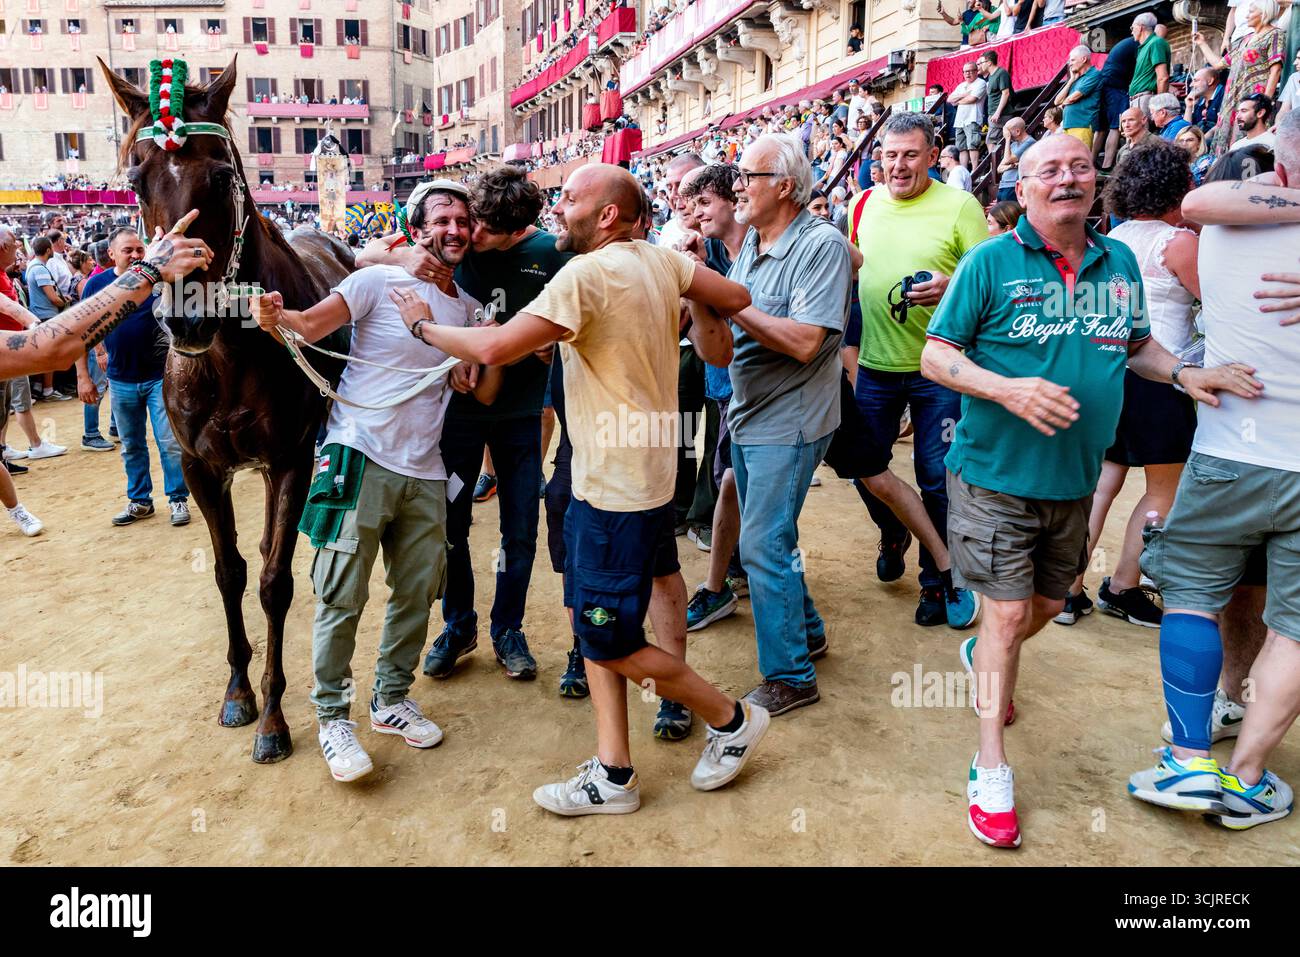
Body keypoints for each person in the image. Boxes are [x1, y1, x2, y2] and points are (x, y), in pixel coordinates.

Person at [387, 162, 769, 816]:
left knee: (607, 636)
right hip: (642, 477)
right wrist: (691, 299)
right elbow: (734, 298)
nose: (557, 208)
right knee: (602, 621)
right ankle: (615, 770)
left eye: (569, 198)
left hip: (612, 489)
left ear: (609, 215)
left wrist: (423, 326)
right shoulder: (660, 261)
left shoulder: (585, 274)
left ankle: (731, 718)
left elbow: (498, 343)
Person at [919, 133, 1254, 848]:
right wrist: (1005, 387)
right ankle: (990, 766)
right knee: (1008, 615)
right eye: (1050, 170)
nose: (1067, 179)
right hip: (993, 477)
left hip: (1072, 477)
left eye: (1078, 167)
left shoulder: (1119, 260)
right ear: (1026, 185)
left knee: (1044, 604)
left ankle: (986, 656)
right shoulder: (990, 262)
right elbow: (937, 355)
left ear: (1095, 181)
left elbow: (1136, 345)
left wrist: (1184, 373)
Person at [253, 181, 500, 784]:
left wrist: (484, 357)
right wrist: (270, 316)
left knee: (418, 594)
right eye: (443, 218)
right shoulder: (373, 283)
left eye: (464, 219)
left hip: (426, 469)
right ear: (416, 228)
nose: (456, 228)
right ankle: (333, 716)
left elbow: (475, 387)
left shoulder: (465, 309)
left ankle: (390, 700)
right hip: (357, 456)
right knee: (341, 593)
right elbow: (307, 326)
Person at [1128, 111, 1300, 831]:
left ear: (1278, 172)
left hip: (1232, 450)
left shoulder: (1215, 233)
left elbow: (1195, 201)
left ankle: (1189, 759)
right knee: (1294, 627)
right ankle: (1250, 776)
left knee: (1193, 594)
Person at [358, 170, 568, 684]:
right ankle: (459, 625)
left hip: (519, 414)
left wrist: (557, 341)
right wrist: (403, 255)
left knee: (519, 528)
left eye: (477, 225)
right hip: (453, 418)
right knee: (451, 528)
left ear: (514, 227)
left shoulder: (550, 252)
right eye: (461, 221)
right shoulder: (448, 244)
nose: (466, 233)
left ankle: (508, 628)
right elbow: (364, 256)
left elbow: (586, 306)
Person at [846, 112, 985, 630]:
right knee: (862, 467)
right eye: (890, 155)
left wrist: (952, 285)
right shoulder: (862, 203)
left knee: (937, 477)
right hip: (875, 366)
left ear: (932, 155)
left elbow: (987, 283)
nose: (898, 166)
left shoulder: (961, 206)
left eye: (910, 154)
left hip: (938, 371)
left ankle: (938, 582)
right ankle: (895, 528)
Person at [1058, 140, 1203, 627]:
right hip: (1161, 376)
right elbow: (1218, 305)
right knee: (1165, 489)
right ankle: (1123, 585)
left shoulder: (1114, 238)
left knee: (1102, 484)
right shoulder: (1178, 243)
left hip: (1110, 371)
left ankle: (1068, 590)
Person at [0, 212, 212, 381]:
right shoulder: (95, 281)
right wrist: (149, 269)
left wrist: (25, 317)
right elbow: (51, 350)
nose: (18, 249)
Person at [78, 228, 191, 528]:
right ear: (111, 254)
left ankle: (177, 498)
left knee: (168, 441)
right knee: (131, 444)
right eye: (128, 250)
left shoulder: (159, 280)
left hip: (160, 378)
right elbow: (81, 331)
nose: (136, 255)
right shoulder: (97, 284)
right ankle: (140, 501)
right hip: (121, 380)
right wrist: (84, 377)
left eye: (139, 249)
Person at [679, 164, 750, 633]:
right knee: (730, 478)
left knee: (736, 482)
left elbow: (853, 259)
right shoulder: (722, 252)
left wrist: (699, 276)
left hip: (762, 391)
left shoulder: (757, 248)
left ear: (734, 201)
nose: (694, 213)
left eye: (704, 203)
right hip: (730, 386)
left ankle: (725, 581)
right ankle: (726, 578)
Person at [1194, 0, 1285, 157]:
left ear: (1264, 13)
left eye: (1251, 11)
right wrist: (1202, 43)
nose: (1246, 15)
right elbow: (1218, 64)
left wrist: (1265, 102)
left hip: (1255, 97)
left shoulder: (1275, 34)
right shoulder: (1244, 40)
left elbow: (1275, 70)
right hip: (1235, 98)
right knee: (1230, 142)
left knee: (1250, 143)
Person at [1098, 29, 1140, 168]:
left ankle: (1092, 161)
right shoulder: (1138, 44)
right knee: (1116, 126)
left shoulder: (1125, 43)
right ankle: (1107, 165)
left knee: (1101, 128)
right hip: (1116, 85)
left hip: (1105, 82)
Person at [1055, 44, 1103, 149]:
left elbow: (1072, 98)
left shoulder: (1093, 74)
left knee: (1079, 160)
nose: (1069, 64)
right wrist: (1071, 80)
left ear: (1084, 59)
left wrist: (1063, 104)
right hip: (1069, 125)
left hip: (1082, 124)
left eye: (1072, 60)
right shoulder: (1077, 79)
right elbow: (1056, 101)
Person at [1129, 13, 1170, 116]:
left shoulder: (1155, 43)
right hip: (1139, 99)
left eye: (1132, 27)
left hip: (1145, 99)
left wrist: (1158, 105)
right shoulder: (1145, 46)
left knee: (1145, 132)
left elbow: (1162, 77)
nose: (1132, 31)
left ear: (1140, 27)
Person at [952, 61, 987, 171]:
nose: (967, 74)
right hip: (960, 120)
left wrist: (958, 101)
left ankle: (975, 170)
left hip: (973, 118)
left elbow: (973, 99)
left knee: (973, 145)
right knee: (961, 148)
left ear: (976, 71)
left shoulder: (980, 83)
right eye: (965, 71)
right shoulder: (961, 86)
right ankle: (964, 170)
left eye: (970, 71)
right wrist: (964, 95)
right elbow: (950, 100)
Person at [978, 50, 1013, 159]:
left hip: (1001, 114)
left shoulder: (1001, 73)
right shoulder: (991, 76)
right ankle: (997, 165)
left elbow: (1005, 93)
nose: (981, 65)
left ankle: (995, 166)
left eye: (982, 62)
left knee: (991, 141)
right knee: (995, 141)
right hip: (993, 114)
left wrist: (997, 113)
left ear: (989, 62)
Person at [996, 117, 1035, 201]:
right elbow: (999, 168)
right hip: (1003, 185)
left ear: (1017, 131)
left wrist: (1007, 139)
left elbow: (1007, 160)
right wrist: (1011, 166)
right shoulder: (1013, 145)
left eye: (1008, 132)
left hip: (1014, 185)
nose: (1007, 134)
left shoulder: (1030, 142)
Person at [1184, 66, 1227, 132]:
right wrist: (1189, 107)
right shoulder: (1199, 100)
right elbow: (1186, 131)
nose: (1191, 85)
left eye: (1196, 81)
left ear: (1210, 81)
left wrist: (1202, 140)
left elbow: (1223, 126)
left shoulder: (1224, 96)